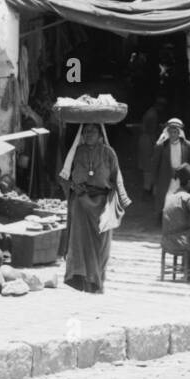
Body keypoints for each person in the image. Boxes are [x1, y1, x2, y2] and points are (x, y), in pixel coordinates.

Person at [59, 122, 130, 293]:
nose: (89, 134)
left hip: (102, 203)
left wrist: (121, 198)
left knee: (101, 244)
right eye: (86, 131)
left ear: (100, 134)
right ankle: (81, 281)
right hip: (81, 203)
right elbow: (64, 176)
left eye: (93, 130)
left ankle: (97, 281)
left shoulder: (108, 153)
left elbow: (116, 176)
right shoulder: (76, 152)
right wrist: (73, 187)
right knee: (80, 242)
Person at [151, 116, 190, 221]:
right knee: (165, 200)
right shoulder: (161, 146)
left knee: (180, 200)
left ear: (179, 132)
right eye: (171, 132)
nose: (173, 134)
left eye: (175, 132)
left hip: (181, 178)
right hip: (165, 178)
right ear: (167, 132)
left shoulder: (187, 145)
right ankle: (163, 221)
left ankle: (178, 222)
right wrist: (154, 181)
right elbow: (155, 164)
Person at [139, 96, 169, 199]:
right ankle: (147, 190)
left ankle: (148, 189)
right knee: (149, 166)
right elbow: (151, 130)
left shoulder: (151, 112)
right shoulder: (153, 115)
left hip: (145, 140)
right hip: (148, 141)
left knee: (147, 166)